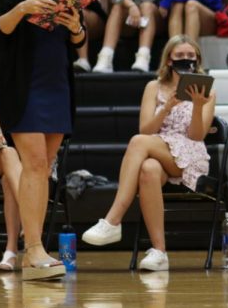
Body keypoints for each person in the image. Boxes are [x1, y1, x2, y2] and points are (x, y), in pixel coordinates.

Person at [0, 0, 88, 281]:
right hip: (25, 84)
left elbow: (78, 44)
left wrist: (76, 27)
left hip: (57, 83)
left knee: (43, 167)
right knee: (32, 164)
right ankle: (32, 249)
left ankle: (35, 249)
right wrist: (23, 9)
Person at [82, 35, 216, 272]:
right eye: (180, 56)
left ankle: (113, 218)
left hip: (189, 153)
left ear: (197, 60)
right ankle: (159, 252)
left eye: (190, 57)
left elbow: (197, 136)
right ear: (168, 61)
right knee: (148, 170)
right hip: (158, 150)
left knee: (137, 143)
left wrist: (197, 105)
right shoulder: (153, 87)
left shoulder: (207, 91)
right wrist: (166, 108)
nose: (186, 60)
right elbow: (147, 129)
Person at [0, 92, 23, 272]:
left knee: (9, 180)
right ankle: (29, 217)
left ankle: (11, 250)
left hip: (35, 164)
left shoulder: (40, 90)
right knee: (8, 154)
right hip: (1, 158)